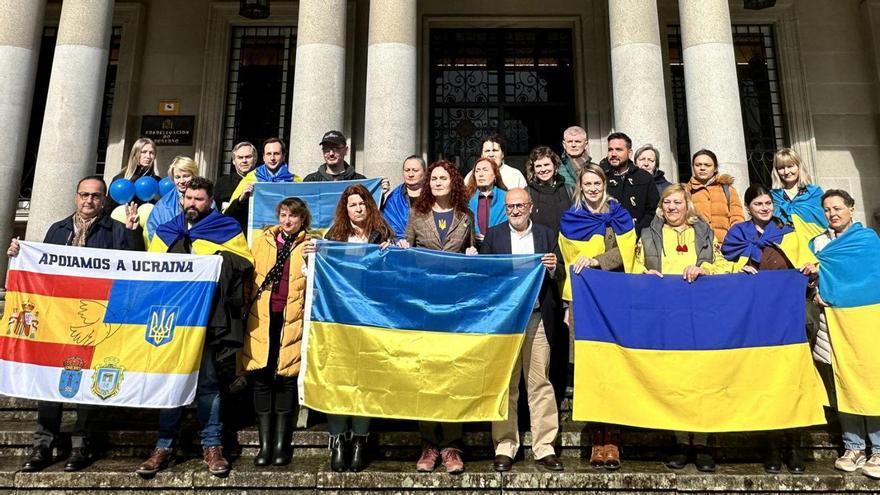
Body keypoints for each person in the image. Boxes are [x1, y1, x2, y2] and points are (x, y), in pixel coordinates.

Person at [8, 176, 144, 473]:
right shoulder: (57, 230)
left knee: (87, 385)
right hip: (57, 320)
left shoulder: (117, 230)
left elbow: (136, 267)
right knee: (48, 383)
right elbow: (40, 271)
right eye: (84, 195)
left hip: (94, 321)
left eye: (96, 196)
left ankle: (82, 445)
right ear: (76, 196)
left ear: (104, 200)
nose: (89, 201)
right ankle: (43, 445)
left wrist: (134, 234)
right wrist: (20, 257)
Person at [138, 177, 253, 478]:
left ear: (210, 201)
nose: (192, 204)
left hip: (207, 319)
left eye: (198, 199)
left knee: (209, 382)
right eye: (188, 198)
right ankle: (163, 445)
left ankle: (212, 445)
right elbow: (150, 269)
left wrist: (216, 261)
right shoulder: (166, 232)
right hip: (171, 320)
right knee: (171, 382)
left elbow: (244, 262)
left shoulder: (226, 228)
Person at [721, 184, 819, 473]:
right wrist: (741, 266)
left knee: (792, 380)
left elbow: (808, 266)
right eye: (758, 204)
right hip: (755, 319)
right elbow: (722, 266)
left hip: (789, 318)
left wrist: (809, 272)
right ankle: (772, 447)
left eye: (767, 203)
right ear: (749, 207)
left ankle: (793, 446)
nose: (764, 208)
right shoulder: (737, 235)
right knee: (763, 382)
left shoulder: (789, 232)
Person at [633, 184, 730, 472]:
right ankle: (679, 441)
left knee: (701, 377)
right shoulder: (648, 234)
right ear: (661, 207)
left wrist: (704, 269)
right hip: (664, 315)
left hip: (698, 315)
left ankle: (701, 442)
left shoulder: (703, 232)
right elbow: (635, 268)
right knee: (672, 378)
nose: (672, 207)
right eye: (667, 203)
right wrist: (645, 274)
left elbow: (722, 264)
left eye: (677, 202)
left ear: (686, 204)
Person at [398, 160, 477, 474]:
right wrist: (404, 246)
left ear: (453, 182)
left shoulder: (466, 216)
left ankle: (453, 446)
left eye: (443, 178)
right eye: (433, 178)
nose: (437, 182)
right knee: (427, 373)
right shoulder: (417, 214)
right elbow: (408, 248)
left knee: (453, 373)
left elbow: (473, 255)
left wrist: (474, 254)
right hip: (425, 304)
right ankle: (429, 444)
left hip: (456, 305)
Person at [481, 188, 565, 473]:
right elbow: (486, 276)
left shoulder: (545, 234)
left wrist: (554, 268)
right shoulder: (494, 236)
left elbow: (561, 271)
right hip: (505, 321)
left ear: (530, 206)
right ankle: (505, 445)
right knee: (506, 383)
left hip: (537, 318)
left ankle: (545, 447)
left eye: (520, 205)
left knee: (539, 383)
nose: (515, 211)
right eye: (510, 207)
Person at [558, 164, 629, 470]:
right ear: (580, 187)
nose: (592, 187)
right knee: (589, 369)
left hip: (612, 299)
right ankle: (595, 439)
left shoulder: (620, 215)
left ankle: (611, 438)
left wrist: (597, 260)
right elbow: (564, 262)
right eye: (586, 183)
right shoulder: (570, 219)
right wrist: (565, 304)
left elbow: (628, 253)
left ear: (604, 184)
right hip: (582, 302)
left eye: (596, 182)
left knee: (611, 366)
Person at [322, 184, 396, 472]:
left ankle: (360, 440)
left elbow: (393, 279)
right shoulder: (334, 236)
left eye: (363, 203)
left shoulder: (383, 235)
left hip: (370, 319)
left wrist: (392, 255)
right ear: (346, 209)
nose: (358, 208)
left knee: (365, 380)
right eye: (353, 204)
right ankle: (338, 439)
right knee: (339, 380)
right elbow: (319, 270)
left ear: (370, 206)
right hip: (339, 319)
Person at [810, 189, 880, 479]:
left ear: (851, 209)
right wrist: (815, 291)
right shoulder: (817, 242)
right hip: (831, 323)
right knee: (842, 382)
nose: (833, 214)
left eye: (838, 208)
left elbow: (872, 277)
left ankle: (877, 449)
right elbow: (811, 275)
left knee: (870, 378)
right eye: (827, 209)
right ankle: (852, 446)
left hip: (865, 321)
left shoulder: (868, 240)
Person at [239, 197, 313, 468]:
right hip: (261, 318)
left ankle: (282, 444)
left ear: (302, 219)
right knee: (261, 375)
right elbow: (250, 277)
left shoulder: (309, 245)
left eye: (293, 216)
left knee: (286, 377)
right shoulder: (263, 241)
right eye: (283, 214)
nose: (287, 220)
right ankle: (265, 445)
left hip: (292, 319)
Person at [224, 138, 301, 230]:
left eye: (276, 154)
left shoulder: (295, 181)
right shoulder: (250, 179)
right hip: (257, 234)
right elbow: (228, 214)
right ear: (264, 157)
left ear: (284, 156)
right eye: (268, 154)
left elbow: (305, 212)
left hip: (287, 233)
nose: (272, 158)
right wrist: (241, 199)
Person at [601, 132, 659, 234]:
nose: (613, 154)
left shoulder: (644, 178)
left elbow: (653, 210)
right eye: (610, 149)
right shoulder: (599, 177)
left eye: (618, 149)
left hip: (638, 236)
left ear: (630, 153)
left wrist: (637, 231)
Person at [685, 149, 745, 243]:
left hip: (724, 246)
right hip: (697, 247)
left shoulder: (728, 190)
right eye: (698, 165)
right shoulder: (686, 191)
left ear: (715, 168)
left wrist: (733, 242)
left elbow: (737, 218)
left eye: (707, 165)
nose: (702, 168)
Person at [769, 147, 827, 242]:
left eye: (790, 166)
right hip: (783, 246)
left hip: (812, 244)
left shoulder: (815, 192)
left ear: (799, 166)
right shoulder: (773, 196)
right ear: (776, 171)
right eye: (781, 168)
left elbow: (823, 220)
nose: (786, 172)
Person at [146, 156, 202, 241]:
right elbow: (153, 232)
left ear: (194, 176)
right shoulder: (163, 205)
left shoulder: (207, 200)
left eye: (186, 176)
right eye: (177, 177)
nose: (182, 181)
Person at [105, 137, 161, 212]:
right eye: (144, 152)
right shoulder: (120, 179)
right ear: (135, 153)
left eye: (151, 153)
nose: (148, 156)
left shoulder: (157, 181)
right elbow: (109, 208)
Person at [526, 146, 572, 236]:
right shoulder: (528, 193)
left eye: (546, 164)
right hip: (540, 246)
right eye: (538, 166)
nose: (543, 170)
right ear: (533, 170)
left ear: (554, 166)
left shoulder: (568, 190)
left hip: (566, 245)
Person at [383, 155, 426, 240]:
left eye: (415, 170)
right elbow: (385, 224)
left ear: (424, 172)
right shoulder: (393, 198)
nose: (410, 174)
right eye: (407, 170)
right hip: (400, 247)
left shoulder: (433, 194)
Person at [466, 157, 508, 241]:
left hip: (499, 245)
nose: (480, 174)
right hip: (474, 248)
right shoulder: (467, 199)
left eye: (485, 170)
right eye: (477, 171)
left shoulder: (506, 197)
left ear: (495, 174)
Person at [216, 141, 257, 209]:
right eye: (240, 157)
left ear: (255, 159)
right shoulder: (222, 183)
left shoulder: (263, 179)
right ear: (234, 161)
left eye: (248, 157)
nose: (244, 161)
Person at [558, 125, 598, 194]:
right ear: (564, 144)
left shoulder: (594, 168)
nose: (573, 145)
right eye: (570, 141)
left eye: (577, 141)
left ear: (585, 144)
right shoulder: (557, 167)